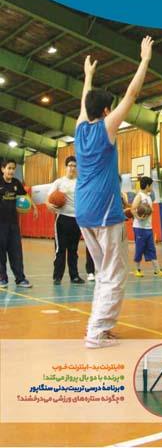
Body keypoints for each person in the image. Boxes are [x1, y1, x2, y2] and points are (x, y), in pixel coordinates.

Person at [75, 35, 153, 349]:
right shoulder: (106, 127)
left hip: (83, 212)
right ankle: (95, 333)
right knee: (114, 274)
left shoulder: (79, 128)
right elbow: (132, 94)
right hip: (105, 213)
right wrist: (144, 60)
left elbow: (84, 103)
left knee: (103, 271)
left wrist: (88, 76)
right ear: (107, 110)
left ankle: (101, 328)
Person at [46, 156, 85, 285]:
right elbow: (48, 198)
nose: (72, 168)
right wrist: (49, 204)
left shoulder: (80, 182)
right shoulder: (59, 182)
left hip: (77, 219)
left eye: (74, 166)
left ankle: (74, 276)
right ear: (66, 167)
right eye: (70, 165)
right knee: (60, 249)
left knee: (74, 249)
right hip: (62, 218)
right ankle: (57, 276)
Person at [0, 158, 37, 288]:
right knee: (1, 252)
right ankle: (2, 278)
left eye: (13, 168)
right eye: (9, 168)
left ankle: (20, 279)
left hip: (13, 224)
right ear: (3, 169)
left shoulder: (16, 183)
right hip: (1, 224)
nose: (11, 171)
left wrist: (34, 207)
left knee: (16, 252)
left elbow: (25, 196)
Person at [132, 176, 162, 278]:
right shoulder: (139, 196)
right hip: (139, 228)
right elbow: (133, 209)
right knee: (139, 248)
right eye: (151, 185)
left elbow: (150, 210)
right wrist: (139, 218)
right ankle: (137, 269)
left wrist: (149, 211)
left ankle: (157, 270)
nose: (152, 187)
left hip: (148, 227)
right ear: (147, 185)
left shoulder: (148, 197)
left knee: (152, 249)